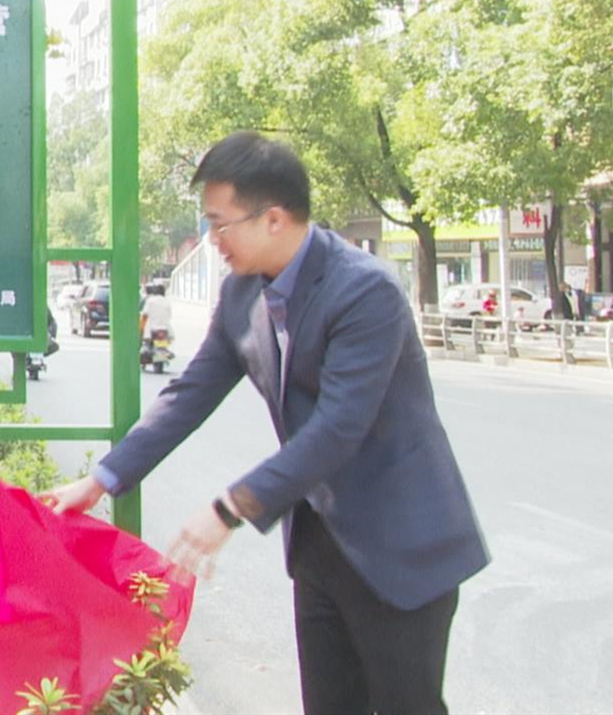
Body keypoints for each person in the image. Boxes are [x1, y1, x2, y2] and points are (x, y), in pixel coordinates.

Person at [44, 131, 488, 715]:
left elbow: (338, 428)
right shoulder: (241, 296)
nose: (213, 240)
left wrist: (231, 507)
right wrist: (100, 478)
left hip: (401, 544)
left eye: (221, 224)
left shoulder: (365, 291)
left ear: (274, 218)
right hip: (320, 547)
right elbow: (187, 396)